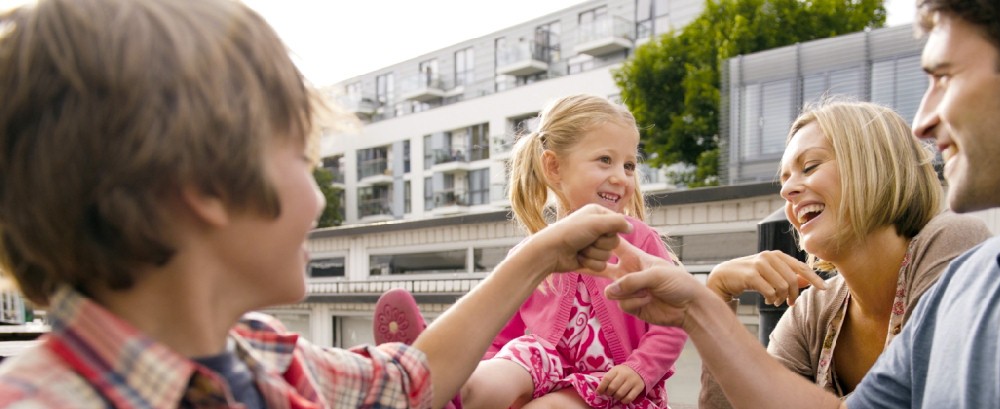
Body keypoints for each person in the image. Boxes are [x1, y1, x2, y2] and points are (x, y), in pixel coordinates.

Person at [0, 1, 638, 408]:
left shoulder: (265, 356)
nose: (315, 203)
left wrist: (539, 255)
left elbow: (412, 383)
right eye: (302, 163)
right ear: (205, 187)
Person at [603, 0, 1000, 407]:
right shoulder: (973, 282)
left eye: (944, 76)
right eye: (784, 177)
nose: (922, 123)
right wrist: (704, 302)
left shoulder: (953, 254)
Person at [698, 100, 990, 407]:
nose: (787, 192)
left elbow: (923, 394)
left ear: (876, 164)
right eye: (785, 181)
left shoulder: (952, 241)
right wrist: (717, 299)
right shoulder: (812, 310)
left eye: (809, 167)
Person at [461, 94, 686, 409]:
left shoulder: (639, 241)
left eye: (629, 165)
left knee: (549, 407)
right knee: (511, 361)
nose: (621, 176)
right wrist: (488, 372)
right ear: (554, 167)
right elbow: (499, 336)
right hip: (546, 372)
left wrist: (641, 368)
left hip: (615, 387)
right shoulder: (531, 255)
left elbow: (672, 319)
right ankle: (453, 389)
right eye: (605, 160)